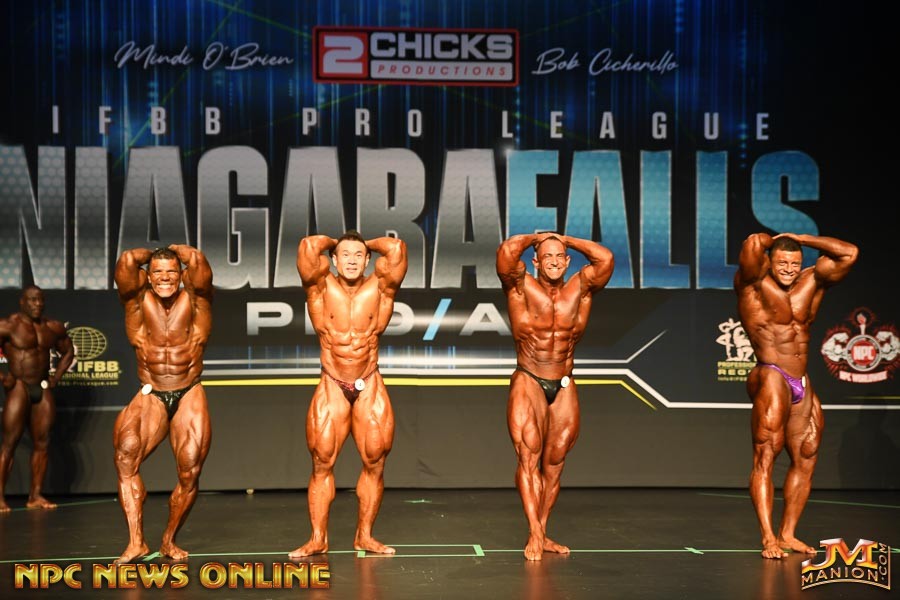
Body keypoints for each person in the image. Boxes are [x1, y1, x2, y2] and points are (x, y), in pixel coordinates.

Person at [736, 232, 858, 559]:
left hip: (800, 377)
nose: (789, 269)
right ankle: (768, 538)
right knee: (767, 454)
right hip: (771, 373)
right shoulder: (754, 283)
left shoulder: (812, 280)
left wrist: (803, 238)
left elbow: (849, 253)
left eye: (794, 263)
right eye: (782, 262)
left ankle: (787, 533)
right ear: (770, 261)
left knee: (807, 455)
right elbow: (752, 244)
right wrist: (773, 239)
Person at [497, 233, 614, 561]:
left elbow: (605, 259)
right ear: (535, 262)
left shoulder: (581, 287)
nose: (553, 261)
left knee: (555, 462)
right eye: (546, 256)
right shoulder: (520, 285)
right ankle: (534, 531)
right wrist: (537, 238)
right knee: (528, 455)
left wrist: (565, 239)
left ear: (567, 261)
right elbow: (507, 251)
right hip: (529, 378)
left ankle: (543, 530)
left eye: (559, 256)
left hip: (563, 381)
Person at [290, 231, 407, 557]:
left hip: (369, 381)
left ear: (368, 260)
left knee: (375, 462)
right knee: (321, 462)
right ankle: (318, 538)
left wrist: (362, 243)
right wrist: (338, 243)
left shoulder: (381, 286)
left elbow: (396, 248)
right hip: (332, 383)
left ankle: (364, 536)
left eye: (359, 255)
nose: (352, 261)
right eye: (345, 255)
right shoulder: (320, 285)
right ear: (334, 259)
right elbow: (308, 246)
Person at [112, 245, 213, 563]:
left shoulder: (196, 299)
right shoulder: (136, 301)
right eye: (158, 271)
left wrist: (176, 252)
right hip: (152, 391)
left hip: (188, 390)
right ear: (148, 276)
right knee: (126, 454)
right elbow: (127, 260)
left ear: (181, 275)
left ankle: (169, 540)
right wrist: (156, 253)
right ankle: (136, 542)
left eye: (171, 271)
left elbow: (198, 262)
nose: (165, 277)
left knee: (190, 467)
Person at [0, 286, 74, 512]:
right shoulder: (9, 325)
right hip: (19, 386)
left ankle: (35, 496)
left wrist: (56, 377)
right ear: (22, 302)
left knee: (42, 443)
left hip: (41, 386)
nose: (37, 304)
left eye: (40, 300)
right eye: (32, 300)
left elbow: (68, 351)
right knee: (9, 443)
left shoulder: (52, 327)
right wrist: (3, 377)